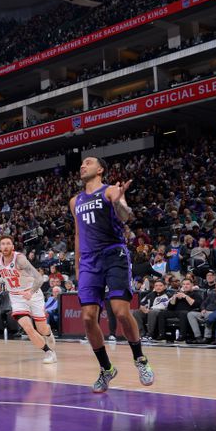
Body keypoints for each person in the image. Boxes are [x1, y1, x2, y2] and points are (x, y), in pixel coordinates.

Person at [69, 156, 154, 393]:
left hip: (113, 254)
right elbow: (77, 234)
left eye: (88, 162)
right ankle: (106, 369)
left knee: (120, 312)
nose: (82, 165)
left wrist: (119, 201)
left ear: (100, 169)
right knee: (87, 317)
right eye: (81, 163)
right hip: (88, 261)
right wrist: (77, 266)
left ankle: (140, 359)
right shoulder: (75, 201)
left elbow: (126, 216)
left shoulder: (110, 192)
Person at [0, 235, 56, 363]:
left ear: (12, 246)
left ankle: (48, 334)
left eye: (8, 243)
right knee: (28, 327)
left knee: (41, 328)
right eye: (3, 244)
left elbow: (39, 278)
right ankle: (49, 352)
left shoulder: (20, 259)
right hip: (16, 296)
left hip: (33, 293)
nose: (5, 246)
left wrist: (30, 292)